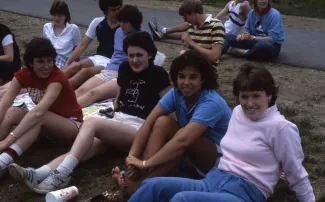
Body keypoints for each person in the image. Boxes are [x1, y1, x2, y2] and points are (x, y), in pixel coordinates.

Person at [8, 32, 172, 194]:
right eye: (131, 55)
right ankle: (40, 173)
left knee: (91, 122)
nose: (134, 60)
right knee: (83, 147)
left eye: (139, 55)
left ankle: (63, 174)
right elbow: (118, 99)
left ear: (150, 54)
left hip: (138, 126)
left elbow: (167, 107)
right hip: (118, 121)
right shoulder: (124, 69)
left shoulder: (159, 74)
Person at [127, 64, 316, 202]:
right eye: (244, 96)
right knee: (152, 186)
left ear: (269, 95)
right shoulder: (237, 113)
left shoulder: (281, 128)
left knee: (182, 200)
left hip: (245, 193)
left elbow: (296, 173)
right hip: (214, 178)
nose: (250, 103)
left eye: (256, 96)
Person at [113, 50, 232, 195]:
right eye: (182, 77)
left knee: (182, 137)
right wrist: (132, 159)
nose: (186, 82)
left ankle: (142, 186)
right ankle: (135, 176)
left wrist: (146, 164)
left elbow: (183, 141)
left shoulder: (211, 102)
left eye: (193, 77)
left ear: (202, 79)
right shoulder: (176, 93)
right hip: (190, 150)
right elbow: (148, 123)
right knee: (162, 122)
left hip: (219, 160)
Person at [0, 38, 83, 179]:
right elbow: (4, 104)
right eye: (40, 61)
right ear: (30, 63)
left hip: (71, 125)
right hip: (47, 125)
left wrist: (8, 140)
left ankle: (4, 160)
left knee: (37, 116)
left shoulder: (57, 78)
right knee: (12, 111)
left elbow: (39, 112)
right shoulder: (23, 74)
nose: (46, 66)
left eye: (49, 61)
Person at [75, 5, 143, 107]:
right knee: (82, 90)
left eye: (125, 22)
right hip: (110, 70)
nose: (121, 25)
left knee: (92, 94)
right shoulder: (119, 31)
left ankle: (66, 114)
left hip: (125, 75)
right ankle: (56, 108)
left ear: (133, 22)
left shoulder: (142, 36)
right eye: (120, 21)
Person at [62, 0, 122, 89]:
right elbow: (82, 45)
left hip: (113, 62)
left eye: (119, 8)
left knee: (85, 72)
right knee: (75, 66)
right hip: (99, 57)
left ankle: (58, 94)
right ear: (105, 11)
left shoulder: (125, 25)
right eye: (113, 10)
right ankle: (47, 85)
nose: (117, 12)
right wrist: (68, 62)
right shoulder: (97, 22)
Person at [148, 0, 225, 67]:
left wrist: (191, 43)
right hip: (191, 66)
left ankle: (162, 31)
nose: (185, 20)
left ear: (193, 13)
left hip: (207, 70)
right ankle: (162, 31)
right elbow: (182, 33)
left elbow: (215, 57)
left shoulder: (216, 26)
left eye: (185, 17)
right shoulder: (193, 26)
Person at [149, 0, 250, 39]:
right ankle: (162, 31)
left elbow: (250, 22)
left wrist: (245, 36)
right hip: (223, 28)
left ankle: (162, 32)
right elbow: (218, 17)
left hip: (228, 35)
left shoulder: (245, 5)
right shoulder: (231, 3)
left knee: (191, 34)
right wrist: (210, 25)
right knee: (192, 25)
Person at [43, 0, 81, 69]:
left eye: (60, 15)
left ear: (65, 16)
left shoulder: (73, 29)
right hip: (48, 57)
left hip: (64, 60)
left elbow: (77, 48)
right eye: (54, 15)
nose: (57, 18)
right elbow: (43, 46)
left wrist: (74, 63)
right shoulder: (46, 27)